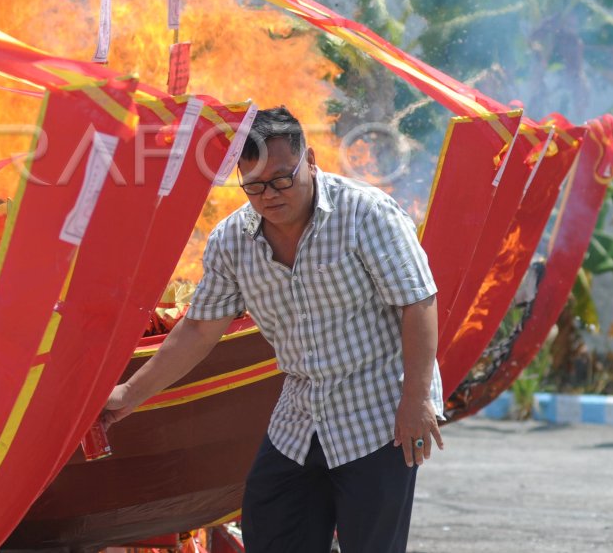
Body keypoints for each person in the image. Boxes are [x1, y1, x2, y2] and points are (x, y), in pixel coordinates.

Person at [102, 106, 444, 553]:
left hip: (378, 415)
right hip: (299, 418)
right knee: (271, 531)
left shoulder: (366, 213)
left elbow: (418, 300)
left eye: (283, 179)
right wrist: (129, 394)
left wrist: (416, 399)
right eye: (255, 186)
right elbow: (199, 329)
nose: (270, 195)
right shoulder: (231, 241)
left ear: (311, 160)